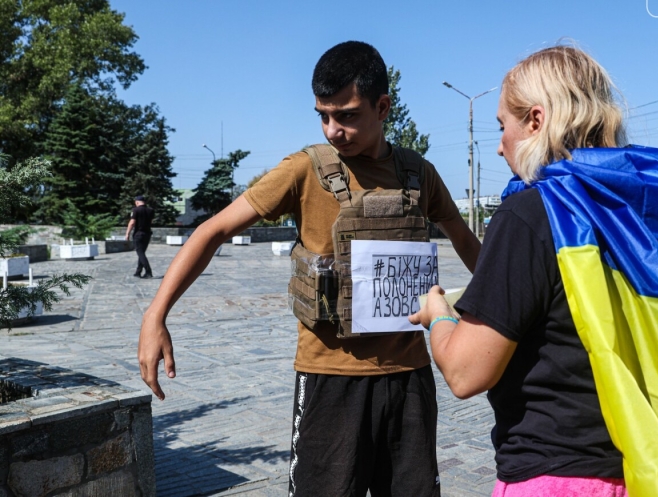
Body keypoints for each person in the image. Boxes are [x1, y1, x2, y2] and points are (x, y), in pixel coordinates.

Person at [410, 45, 658, 497]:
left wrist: (438, 313)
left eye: (503, 126)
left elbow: (465, 373)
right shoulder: (639, 207)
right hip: (645, 469)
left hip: (555, 473)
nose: (499, 146)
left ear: (536, 121)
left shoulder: (533, 212)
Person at [137, 41, 481, 497]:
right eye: (323, 115)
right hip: (329, 379)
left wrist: (515, 309)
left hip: (409, 380)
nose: (333, 129)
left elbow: (469, 245)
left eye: (348, 115)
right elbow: (212, 231)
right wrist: (155, 315)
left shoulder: (418, 173)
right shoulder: (304, 170)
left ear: (383, 107)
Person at [126, 195, 155, 279]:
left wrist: (127, 233)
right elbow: (151, 221)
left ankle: (148, 271)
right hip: (147, 234)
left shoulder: (136, 210)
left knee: (140, 253)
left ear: (137, 202)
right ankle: (138, 272)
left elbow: (132, 222)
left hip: (138, 234)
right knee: (142, 253)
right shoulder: (151, 210)